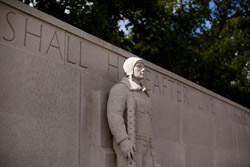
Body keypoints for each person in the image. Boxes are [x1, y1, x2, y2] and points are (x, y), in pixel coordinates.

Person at [107, 57, 161, 167]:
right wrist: (123, 140)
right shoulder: (120, 89)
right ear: (130, 69)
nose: (143, 69)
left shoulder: (144, 94)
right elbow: (114, 115)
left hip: (146, 146)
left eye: (143, 67)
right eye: (139, 66)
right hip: (131, 143)